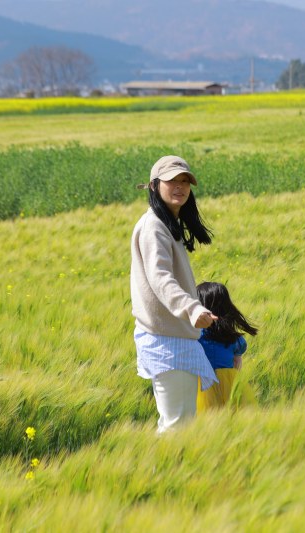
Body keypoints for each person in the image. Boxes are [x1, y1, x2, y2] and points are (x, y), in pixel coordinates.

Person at [130, 155, 218, 433]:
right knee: (177, 426)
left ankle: (163, 472)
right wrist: (191, 308)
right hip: (167, 341)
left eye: (185, 181)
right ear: (155, 186)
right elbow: (160, 277)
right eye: (171, 181)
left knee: (175, 422)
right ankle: (164, 474)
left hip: (173, 338)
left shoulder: (167, 223)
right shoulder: (154, 226)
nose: (179, 186)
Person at [195, 282, 258, 413]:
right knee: (233, 418)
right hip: (229, 383)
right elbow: (237, 364)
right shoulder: (234, 338)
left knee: (203, 420)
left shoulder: (195, 335)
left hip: (201, 384)